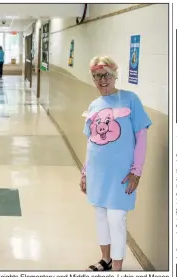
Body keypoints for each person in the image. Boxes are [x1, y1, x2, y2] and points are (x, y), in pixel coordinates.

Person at [80, 56, 152, 271]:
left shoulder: (130, 99)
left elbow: (142, 136)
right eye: (96, 76)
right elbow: (91, 142)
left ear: (114, 75)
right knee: (101, 216)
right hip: (98, 173)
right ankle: (106, 259)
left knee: (116, 219)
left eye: (106, 75)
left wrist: (136, 171)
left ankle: (118, 267)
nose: (101, 80)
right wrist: (85, 172)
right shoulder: (94, 105)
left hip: (121, 174)